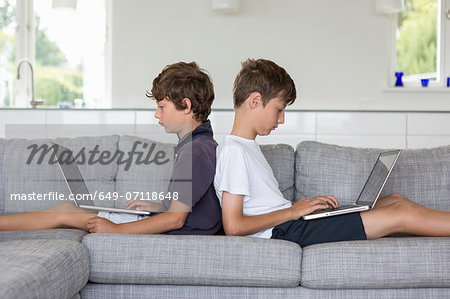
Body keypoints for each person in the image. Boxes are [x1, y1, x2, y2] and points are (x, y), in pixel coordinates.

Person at [214, 58, 450, 247]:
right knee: (400, 213)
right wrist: (293, 211)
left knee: (395, 199)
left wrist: (297, 208)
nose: (282, 119)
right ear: (255, 100)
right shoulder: (234, 152)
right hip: (284, 232)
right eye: (279, 109)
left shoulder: (246, 148)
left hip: (290, 223)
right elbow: (234, 226)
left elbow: (262, 205)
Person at [0, 61, 222, 235]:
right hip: (177, 226)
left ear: (186, 106)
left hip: (177, 233)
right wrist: (157, 206)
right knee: (68, 208)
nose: (157, 114)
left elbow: (176, 219)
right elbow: (184, 208)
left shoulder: (196, 150)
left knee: (65, 211)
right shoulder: (196, 144)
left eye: (162, 107)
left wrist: (116, 228)